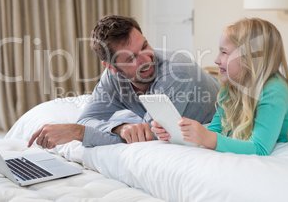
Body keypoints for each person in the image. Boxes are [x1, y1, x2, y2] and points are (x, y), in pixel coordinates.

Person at [28, 15, 220, 148]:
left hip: (225, 115)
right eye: (131, 58)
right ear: (111, 67)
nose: (146, 59)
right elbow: (87, 119)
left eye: (145, 45)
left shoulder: (176, 72)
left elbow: (147, 136)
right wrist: (119, 128)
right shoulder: (112, 78)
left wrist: (78, 133)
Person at [152, 18, 288, 156]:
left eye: (224, 52)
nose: (216, 60)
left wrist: (208, 137)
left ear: (251, 59)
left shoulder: (274, 92)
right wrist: (179, 133)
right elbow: (215, 131)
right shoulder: (232, 86)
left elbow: (260, 149)